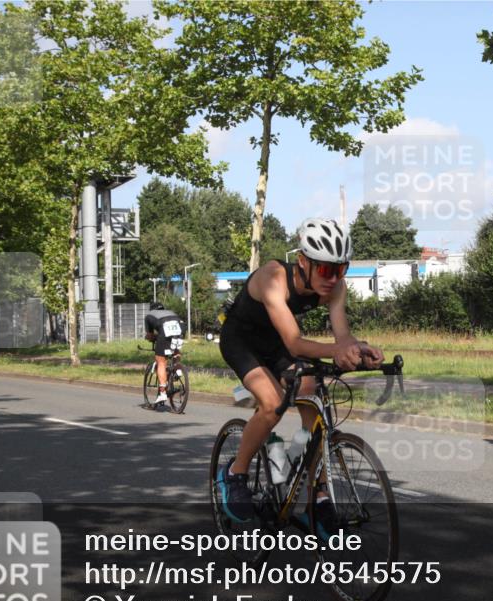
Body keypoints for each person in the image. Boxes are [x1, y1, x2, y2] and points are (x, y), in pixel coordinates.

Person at [219, 217, 384, 525]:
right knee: (273, 404)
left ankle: (317, 495)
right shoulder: (273, 278)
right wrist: (336, 351)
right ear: (302, 262)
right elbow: (295, 344)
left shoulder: (333, 288)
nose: (333, 278)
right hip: (242, 341)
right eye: (324, 269)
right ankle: (235, 472)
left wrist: (358, 350)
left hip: (276, 343)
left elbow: (342, 337)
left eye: (341, 269)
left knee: (313, 391)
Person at [144, 302, 183, 406]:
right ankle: (177, 369)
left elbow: (150, 335)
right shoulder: (170, 312)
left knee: (161, 362)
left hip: (164, 333)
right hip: (179, 328)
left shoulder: (149, 316)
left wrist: (150, 338)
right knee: (175, 349)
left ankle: (162, 393)